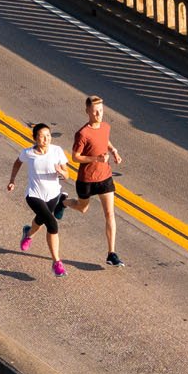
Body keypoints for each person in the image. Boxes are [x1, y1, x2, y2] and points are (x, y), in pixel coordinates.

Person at [6, 122, 69, 277]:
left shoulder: (57, 151)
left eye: (48, 135)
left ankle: (28, 233)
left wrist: (62, 172)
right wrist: (12, 180)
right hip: (34, 195)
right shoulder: (28, 153)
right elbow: (17, 163)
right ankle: (57, 263)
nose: (46, 139)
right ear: (35, 138)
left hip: (53, 194)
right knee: (52, 224)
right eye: (42, 136)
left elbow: (67, 175)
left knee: (40, 221)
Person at [72, 95, 125, 266]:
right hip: (86, 179)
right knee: (82, 208)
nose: (98, 114)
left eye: (101, 111)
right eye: (95, 111)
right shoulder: (82, 133)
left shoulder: (105, 127)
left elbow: (104, 141)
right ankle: (63, 202)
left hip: (105, 178)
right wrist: (95, 159)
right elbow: (75, 157)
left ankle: (111, 253)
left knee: (110, 214)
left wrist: (114, 150)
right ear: (87, 111)